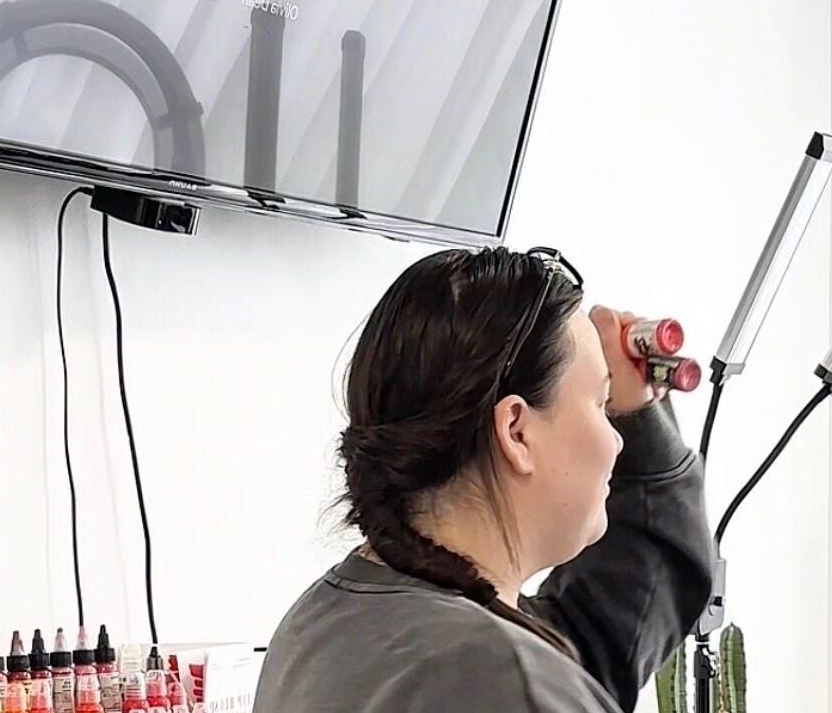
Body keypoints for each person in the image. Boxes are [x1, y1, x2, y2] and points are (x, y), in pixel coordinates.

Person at [253, 246, 715, 712]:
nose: (616, 441)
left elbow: (601, 632)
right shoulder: (510, 682)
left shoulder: (318, 625)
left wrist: (641, 415)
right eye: (601, 403)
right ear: (516, 431)